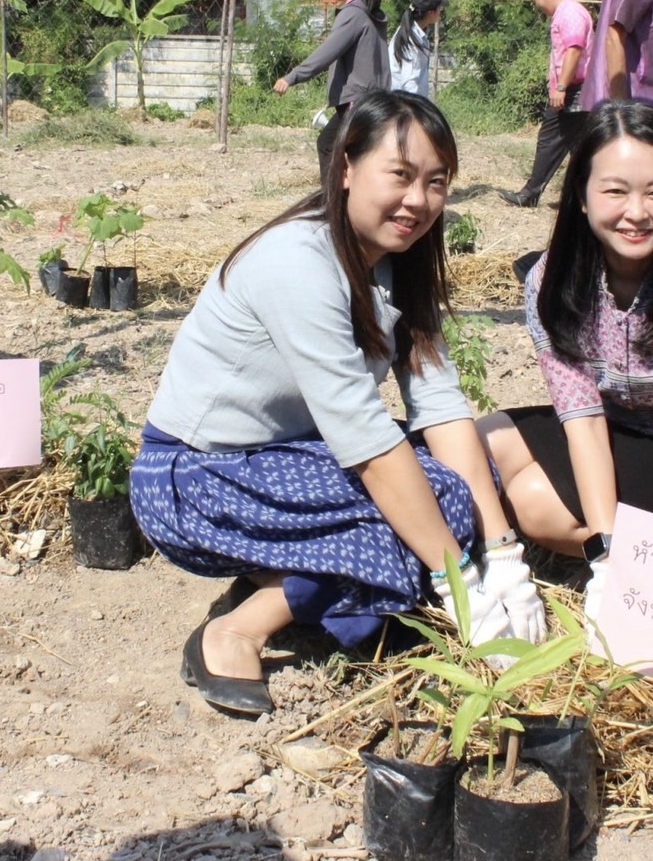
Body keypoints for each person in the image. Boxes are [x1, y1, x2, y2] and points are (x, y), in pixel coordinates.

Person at [130, 93, 547, 718]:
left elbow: (440, 405)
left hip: (289, 455)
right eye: (400, 175)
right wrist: (464, 586)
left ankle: (306, 572)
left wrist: (505, 557)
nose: (419, 201)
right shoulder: (296, 262)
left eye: (436, 183)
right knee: (435, 510)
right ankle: (238, 628)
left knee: (464, 483)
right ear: (346, 167)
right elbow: (366, 441)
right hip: (198, 474)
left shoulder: (393, 264)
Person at [480, 102, 653, 626]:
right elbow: (582, 420)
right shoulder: (551, 283)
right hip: (613, 426)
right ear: (582, 198)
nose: (637, 212)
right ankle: (491, 563)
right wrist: (609, 551)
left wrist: (652, 565)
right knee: (480, 442)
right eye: (615, 191)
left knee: (534, 501)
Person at [273, 0, 390, 181]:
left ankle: (335, 205)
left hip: (357, 100)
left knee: (330, 146)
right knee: (352, 151)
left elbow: (327, 53)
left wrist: (292, 76)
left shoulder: (353, 14)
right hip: (374, 97)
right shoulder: (370, 11)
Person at [500, 0, 594, 209]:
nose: (538, 8)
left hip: (573, 88)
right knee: (579, 146)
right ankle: (586, 196)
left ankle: (530, 194)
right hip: (574, 87)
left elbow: (573, 51)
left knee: (550, 139)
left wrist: (561, 87)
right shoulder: (565, 13)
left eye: (535, 2)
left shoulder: (570, 12)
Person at [389, 0, 446, 101]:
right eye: (439, 9)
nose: (441, 12)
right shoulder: (410, 39)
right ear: (431, 13)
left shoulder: (418, 33)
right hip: (405, 104)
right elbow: (410, 82)